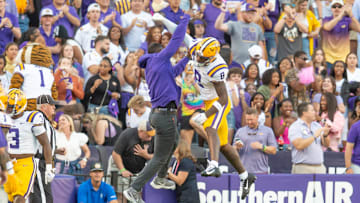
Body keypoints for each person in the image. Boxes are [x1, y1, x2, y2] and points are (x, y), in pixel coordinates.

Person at [152, 14, 256, 198]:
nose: (198, 59)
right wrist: (162, 20)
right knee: (223, 145)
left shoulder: (218, 68)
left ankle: (214, 165)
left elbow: (223, 100)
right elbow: (180, 30)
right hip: (208, 99)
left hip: (218, 101)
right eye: (198, 55)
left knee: (210, 127)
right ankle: (245, 176)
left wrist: (206, 114)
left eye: (202, 58)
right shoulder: (196, 46)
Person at [123, 14, 190, 203]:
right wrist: (185, 19)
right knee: (160, 157)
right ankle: (134, 189)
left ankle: (161, 178)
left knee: (175, 142)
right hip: (165, 115)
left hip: (160, 115)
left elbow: (175, 70)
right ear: (159, 52)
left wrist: (188, 57)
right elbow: (177, 39)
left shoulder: (155, 66)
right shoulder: (160, 58)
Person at [4, 89, 54, 203]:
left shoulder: (31, 118)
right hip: (7, 162)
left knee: (20, 197)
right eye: (8, 106)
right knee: (11, 198)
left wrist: (49, 166)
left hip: (25, 163)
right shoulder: (4, 117)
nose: (9, 109)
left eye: (12, 107)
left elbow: (45, 143)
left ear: (21, 106)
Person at [110, 120, 154, 202]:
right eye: (148, 135)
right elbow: (115, 154)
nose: (150, 138)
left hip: (138, 169)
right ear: (141, 131)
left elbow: (158, 156)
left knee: (137, 193)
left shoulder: (153, 136)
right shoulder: (127, 134)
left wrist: (146, 155)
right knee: (121, 194)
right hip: (120, 165)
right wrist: (123, 170)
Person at [9, 43, 57, 112]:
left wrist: (12, 103)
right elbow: (54, 93)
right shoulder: (49, 71)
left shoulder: (22, 67)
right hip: (48, 104)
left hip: (29, 101)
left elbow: (14, 87)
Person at [29, 95, 59, 203]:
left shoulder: (47, 122)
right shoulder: (39, 119)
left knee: (42, 196)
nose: (54, 107)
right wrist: (48, 166)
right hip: (39, 162)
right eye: (51, 105)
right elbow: (42, 145)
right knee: (42, 197)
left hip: (43, 161)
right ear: (43, 106)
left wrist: (56, 151)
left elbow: (43, 144)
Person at [289, 102, 330, 174]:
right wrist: (314, 136)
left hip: (319, 167)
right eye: (312, 110)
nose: (315, 112)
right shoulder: (295, 126)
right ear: (304, 113)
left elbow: (326, 145)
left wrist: (325, 135)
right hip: (302, 168)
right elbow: (299, 145)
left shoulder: (317, 125)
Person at [233, 108, 277, 174]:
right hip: (243, 172)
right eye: (247, 120)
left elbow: (273, 150)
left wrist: (261, 146)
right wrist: (236, 147)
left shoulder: (268, 131)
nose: (249, 122)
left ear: (257, 117)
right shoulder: (240, 131)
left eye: (251, 120)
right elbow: (233, 150)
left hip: (261, 171)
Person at [322, 0, 360, 67]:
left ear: (343, 8)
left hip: (343, 58)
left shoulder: (347, 20)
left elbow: (359, 29)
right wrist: (339, 16)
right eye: (334, 6)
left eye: (339, 6)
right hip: (328, 58)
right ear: (331, 8)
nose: (337, 8)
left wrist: (351, 15)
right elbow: (327, 27)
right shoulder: (326, 19)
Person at [55, 114, 90, 181]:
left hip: (74, 167)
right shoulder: (55, 135)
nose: (61, 122)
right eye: (59, 121)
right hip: (60, 166)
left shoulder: (78, 136)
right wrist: (57, 151)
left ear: (69, 123)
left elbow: (87, 151)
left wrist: (84, 160)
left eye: (63, 120)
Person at [167, 139, 200, 203]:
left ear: (180, 148)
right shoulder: (175, 162)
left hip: (189, 197)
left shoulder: (186, 161)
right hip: (181, 195)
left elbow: (180, 181)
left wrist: (167, 173)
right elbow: (169, 174)